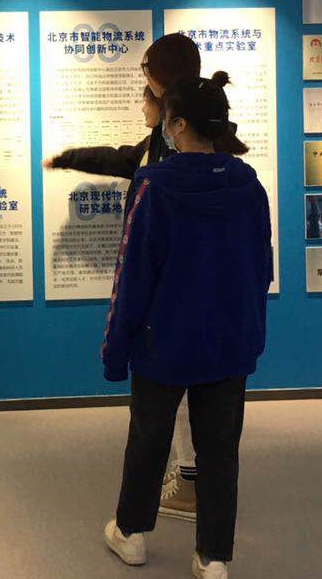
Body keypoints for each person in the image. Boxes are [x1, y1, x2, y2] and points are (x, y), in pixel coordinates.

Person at [100, 72, 273, 579]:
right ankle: (215, 560)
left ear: (177, 125)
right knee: (220, 449)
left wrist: (115, 349)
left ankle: (132, 532)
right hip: (228, 342)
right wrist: (249, 334)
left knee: (148, 437)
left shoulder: (155, 186)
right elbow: (260, 268)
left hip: (164, 341)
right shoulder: (248, 185)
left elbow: (133, 275)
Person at [45, 33, 203, 520]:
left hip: (174, 290)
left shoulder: (184, 156)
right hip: (166, 288)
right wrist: (69, 157)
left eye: (147, 83)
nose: (142, 96)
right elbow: (121, 159)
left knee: (172, 394)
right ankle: (189, 480)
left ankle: (184, 488)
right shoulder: (163, 143)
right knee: (177, 392)